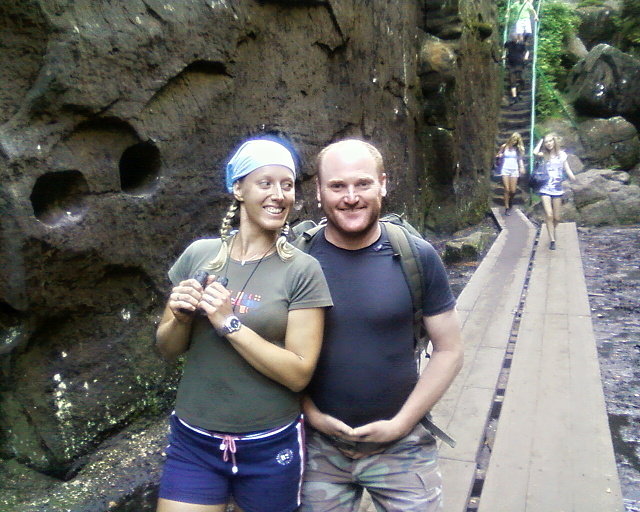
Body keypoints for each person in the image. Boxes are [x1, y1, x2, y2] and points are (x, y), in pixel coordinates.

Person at [155, 136, 333, 512]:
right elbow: (167, 348)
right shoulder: (200, 256)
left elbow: (299, 374)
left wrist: (228, 323)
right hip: (194, 442)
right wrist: (181, 318)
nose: (279, 195)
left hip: (269, 446)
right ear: (238, 189)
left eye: (287, 185)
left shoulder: (303, 270)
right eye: (265, 183)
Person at [300, 139, 464, 512]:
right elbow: (276, 351)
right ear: (319, 191)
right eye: (337, 186)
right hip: (317, 448)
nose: (351, 197)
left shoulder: (416, 256)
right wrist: (312, 415)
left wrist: (402, 424)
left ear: (383, 184)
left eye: (363, 183)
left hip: (402, 446)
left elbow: (450, 350)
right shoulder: (297, 261)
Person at [533, 133, 576, 250]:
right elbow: (534, 152)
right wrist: (541, 141)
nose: (549, 143)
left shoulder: (562, 155)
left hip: (557, 188)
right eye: (547, 142)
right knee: (549, 214)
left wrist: (573, 178)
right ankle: (552, 240)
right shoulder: (544, 155)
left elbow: (567, 169)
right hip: (545, 188)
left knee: (557, 218)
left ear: (554, 141)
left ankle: (551, 229)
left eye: (550, 141)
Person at [496, 132, 525, 215]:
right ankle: (506, 207)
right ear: (511, 138)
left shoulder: (518, 149)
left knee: (513, 190)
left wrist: (522, 167)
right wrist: (500, 155)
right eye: (513, 139)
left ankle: (510, 202)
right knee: (507, 189)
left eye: (516, 140)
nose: (514, 142)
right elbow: (498, 154)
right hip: (505, 169)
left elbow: (520, 159)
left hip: (514, 169)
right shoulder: (504, 146)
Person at [504, 33, 528, 105]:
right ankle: (514, 98)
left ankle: (518, 92)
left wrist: (526, 57)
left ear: (517, 37)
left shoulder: (521, 44)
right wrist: (504, 55)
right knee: (512, 81)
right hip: (511, 65)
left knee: (522, 79)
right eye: (512, 37)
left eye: (515, 36)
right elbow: (504, 49)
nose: (514, 38)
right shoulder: (508, 44)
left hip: (520, 65)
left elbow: (527, 51)